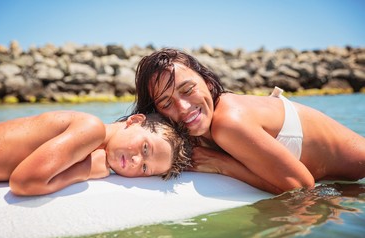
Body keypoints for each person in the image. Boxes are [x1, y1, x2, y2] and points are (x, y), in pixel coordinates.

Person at [132, 48, 365, 194]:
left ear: (208, 83)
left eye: (187, 89)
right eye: (166, 103)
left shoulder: (228, 122)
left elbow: (303, 187)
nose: (183, 108)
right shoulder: (196, 129)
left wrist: (222, 165)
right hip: (348, 184)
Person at [0, 111, 192, 196]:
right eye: (145, 148)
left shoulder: (93, 143)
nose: (136, 161)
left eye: (145, 168)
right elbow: (23, 182)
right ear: (134, 120)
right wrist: (86, 170)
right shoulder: (92, 129)